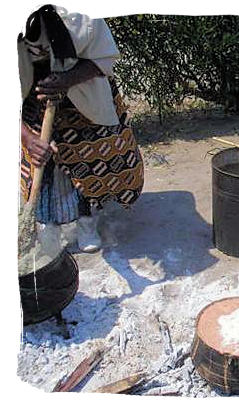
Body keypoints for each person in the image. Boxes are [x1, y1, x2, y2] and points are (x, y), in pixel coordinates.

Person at [18, 5, 144, 253]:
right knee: (42, 168)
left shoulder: (79, 13)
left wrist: (66, 80)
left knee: (93, 163)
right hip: (29, 96)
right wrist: (28, 137)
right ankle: (47, 228)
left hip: (84, 91)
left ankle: (87, 222)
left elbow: (104, 59)